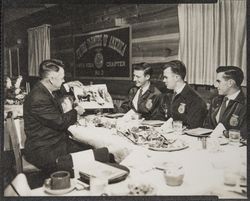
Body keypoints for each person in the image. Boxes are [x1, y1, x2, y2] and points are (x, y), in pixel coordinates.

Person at [23, 59, 113, 176]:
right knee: (102, 156)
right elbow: (60, 122)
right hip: (45, 152)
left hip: (53, 144)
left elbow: (55, 92)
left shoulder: (42, 89)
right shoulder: (38, 98)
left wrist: (67, 86)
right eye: (62, 78)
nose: (64, 80)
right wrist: (76, 111)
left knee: (94, 150)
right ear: (51, 79)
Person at [152, 60, 207, 129]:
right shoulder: (167, 95)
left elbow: (194, 128)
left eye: (166, 77)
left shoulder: (195, 99)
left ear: (177, 77)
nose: (164, 80)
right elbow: (160, 117)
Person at [205, 66, 247, 138]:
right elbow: (207, 126)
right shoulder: (215, 101)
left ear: (230, 83)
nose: (215, 85)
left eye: (219, 81)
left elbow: (245, 135)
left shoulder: (245, 105)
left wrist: (224, 133)